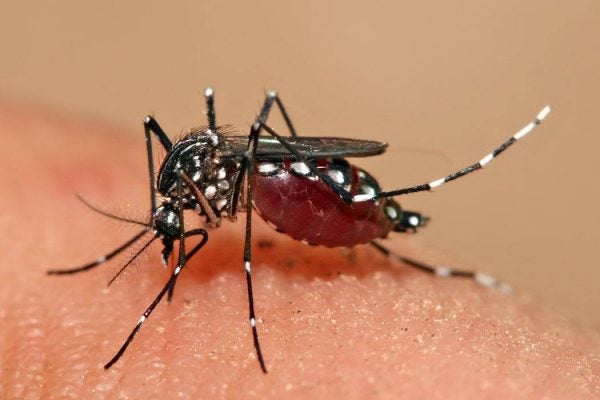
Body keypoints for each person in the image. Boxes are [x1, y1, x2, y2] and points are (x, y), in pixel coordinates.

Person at [1, 101, 598, 399]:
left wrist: (252, 317)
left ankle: (379, 216)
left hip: (290, 178)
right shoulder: (180, 188)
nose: (174, 235)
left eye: (169, 225)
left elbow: (217, 189)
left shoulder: (199, 189)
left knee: (261, 147)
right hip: (267, 174)